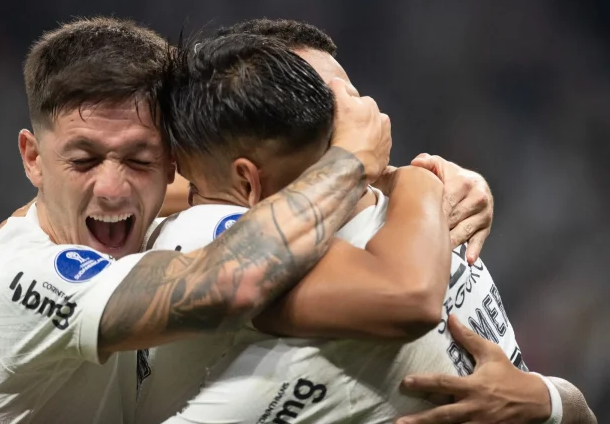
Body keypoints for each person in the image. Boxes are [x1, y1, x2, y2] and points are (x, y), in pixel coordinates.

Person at [0, 19, 499, 423]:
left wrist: (401, 174)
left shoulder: (172, 213)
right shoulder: (26, 272)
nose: (113, 188)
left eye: (140, 160)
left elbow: (261, 177)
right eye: (83, 159)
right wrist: (388, 175)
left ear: (173, 162)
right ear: (32, 158)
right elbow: (246, 278)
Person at [138, 22, 594, 423]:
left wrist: (549, 399)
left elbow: (576, 410)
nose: (355, 113)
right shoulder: (422, 216)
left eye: (343, 99)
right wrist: (418, 180)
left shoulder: (418, 229)